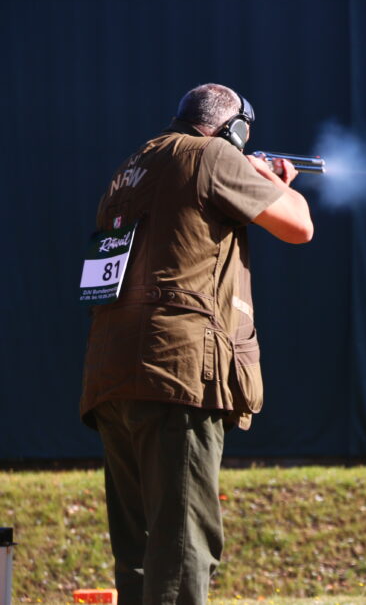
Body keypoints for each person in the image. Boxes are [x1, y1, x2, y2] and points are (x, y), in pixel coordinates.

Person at [79, 83, 314, 605]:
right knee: (184, 547)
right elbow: (300, 227)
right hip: (175, 374)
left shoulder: (132, 166)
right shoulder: (212, 156)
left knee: (139, 551)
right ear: (233, 131)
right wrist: (276, 182)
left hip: (113, 373)